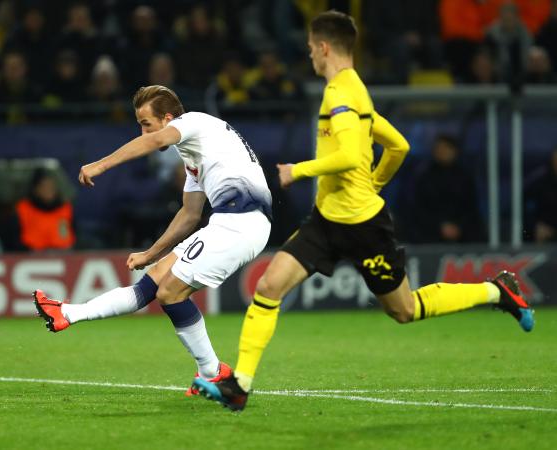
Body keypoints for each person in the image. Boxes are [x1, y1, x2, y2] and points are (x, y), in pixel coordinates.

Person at [192, 10, 535, 412]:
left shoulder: (341, 93)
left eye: (309, 50)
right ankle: (240, 386)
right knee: (268, 287)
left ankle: (497, 290)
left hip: (363, 225)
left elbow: (352, 153)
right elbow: (399, 146)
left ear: (323, 48)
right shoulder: (355, 91)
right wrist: (373, 182)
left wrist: (298, 170)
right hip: (327, 220)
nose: (309, 58)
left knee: (404, 311)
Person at [33, 85, 272, 394]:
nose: (144, 132)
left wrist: (100, 165)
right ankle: (67, 313)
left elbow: (158, 140)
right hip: (231, 221)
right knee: (154, 282)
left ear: (168, 119)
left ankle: (212, 372)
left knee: (170, 292)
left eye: (146, 123)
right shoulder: (196, 156)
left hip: (242, 221)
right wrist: (151, 253)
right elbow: (189, 214)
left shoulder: (194, 123)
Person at [410, 135, 484, 243]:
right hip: (430, 234)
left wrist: (458, 226)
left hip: (463, 234)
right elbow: (419, 209)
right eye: (438, 149)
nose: (442, 152)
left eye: (446, 148)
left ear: (455, 151)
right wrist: (440, 226)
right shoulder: (424, 176)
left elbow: (471, 207)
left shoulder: (464, 176)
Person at [15, 168, 75, 251]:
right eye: (43, 186)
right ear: (35, 189)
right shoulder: (23, 208)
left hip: (63, 253)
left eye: (51, 186)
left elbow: (69, 234)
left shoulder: (65, 208)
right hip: (31, 254)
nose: (48, 190)